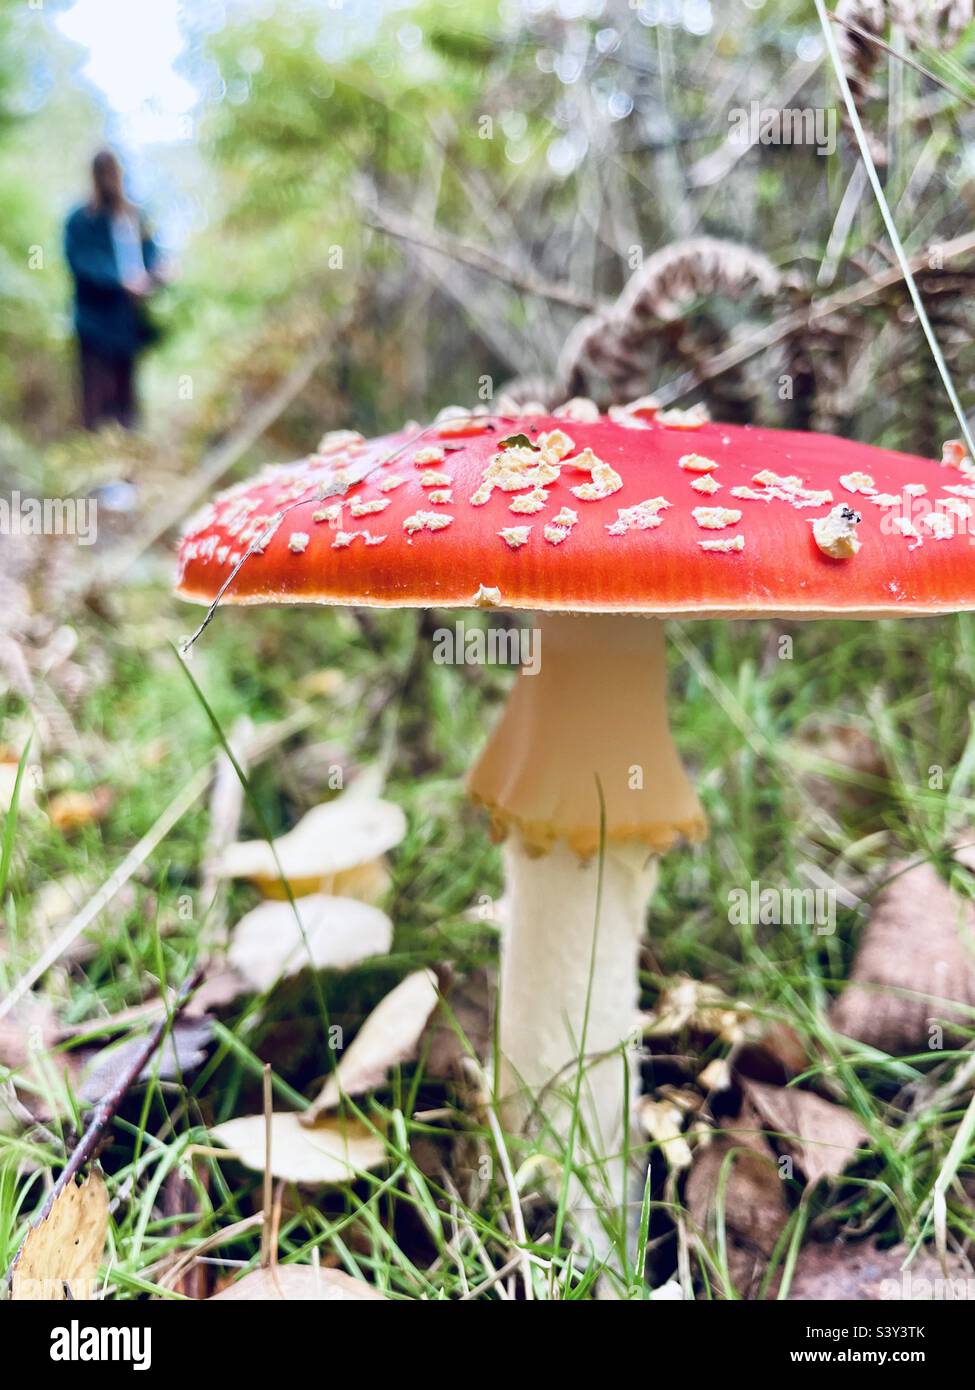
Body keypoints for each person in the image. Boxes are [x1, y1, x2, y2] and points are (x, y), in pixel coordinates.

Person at [64, 150, 164, 431]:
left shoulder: (135, 218)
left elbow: (151, 256)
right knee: (97, 397)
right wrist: (119, 280)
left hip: (127, 325)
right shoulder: (81, 219)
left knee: (126, 398)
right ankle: (99, 467)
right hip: (94, 325)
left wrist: (158, 273)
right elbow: (80, 261)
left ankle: (127, 467)